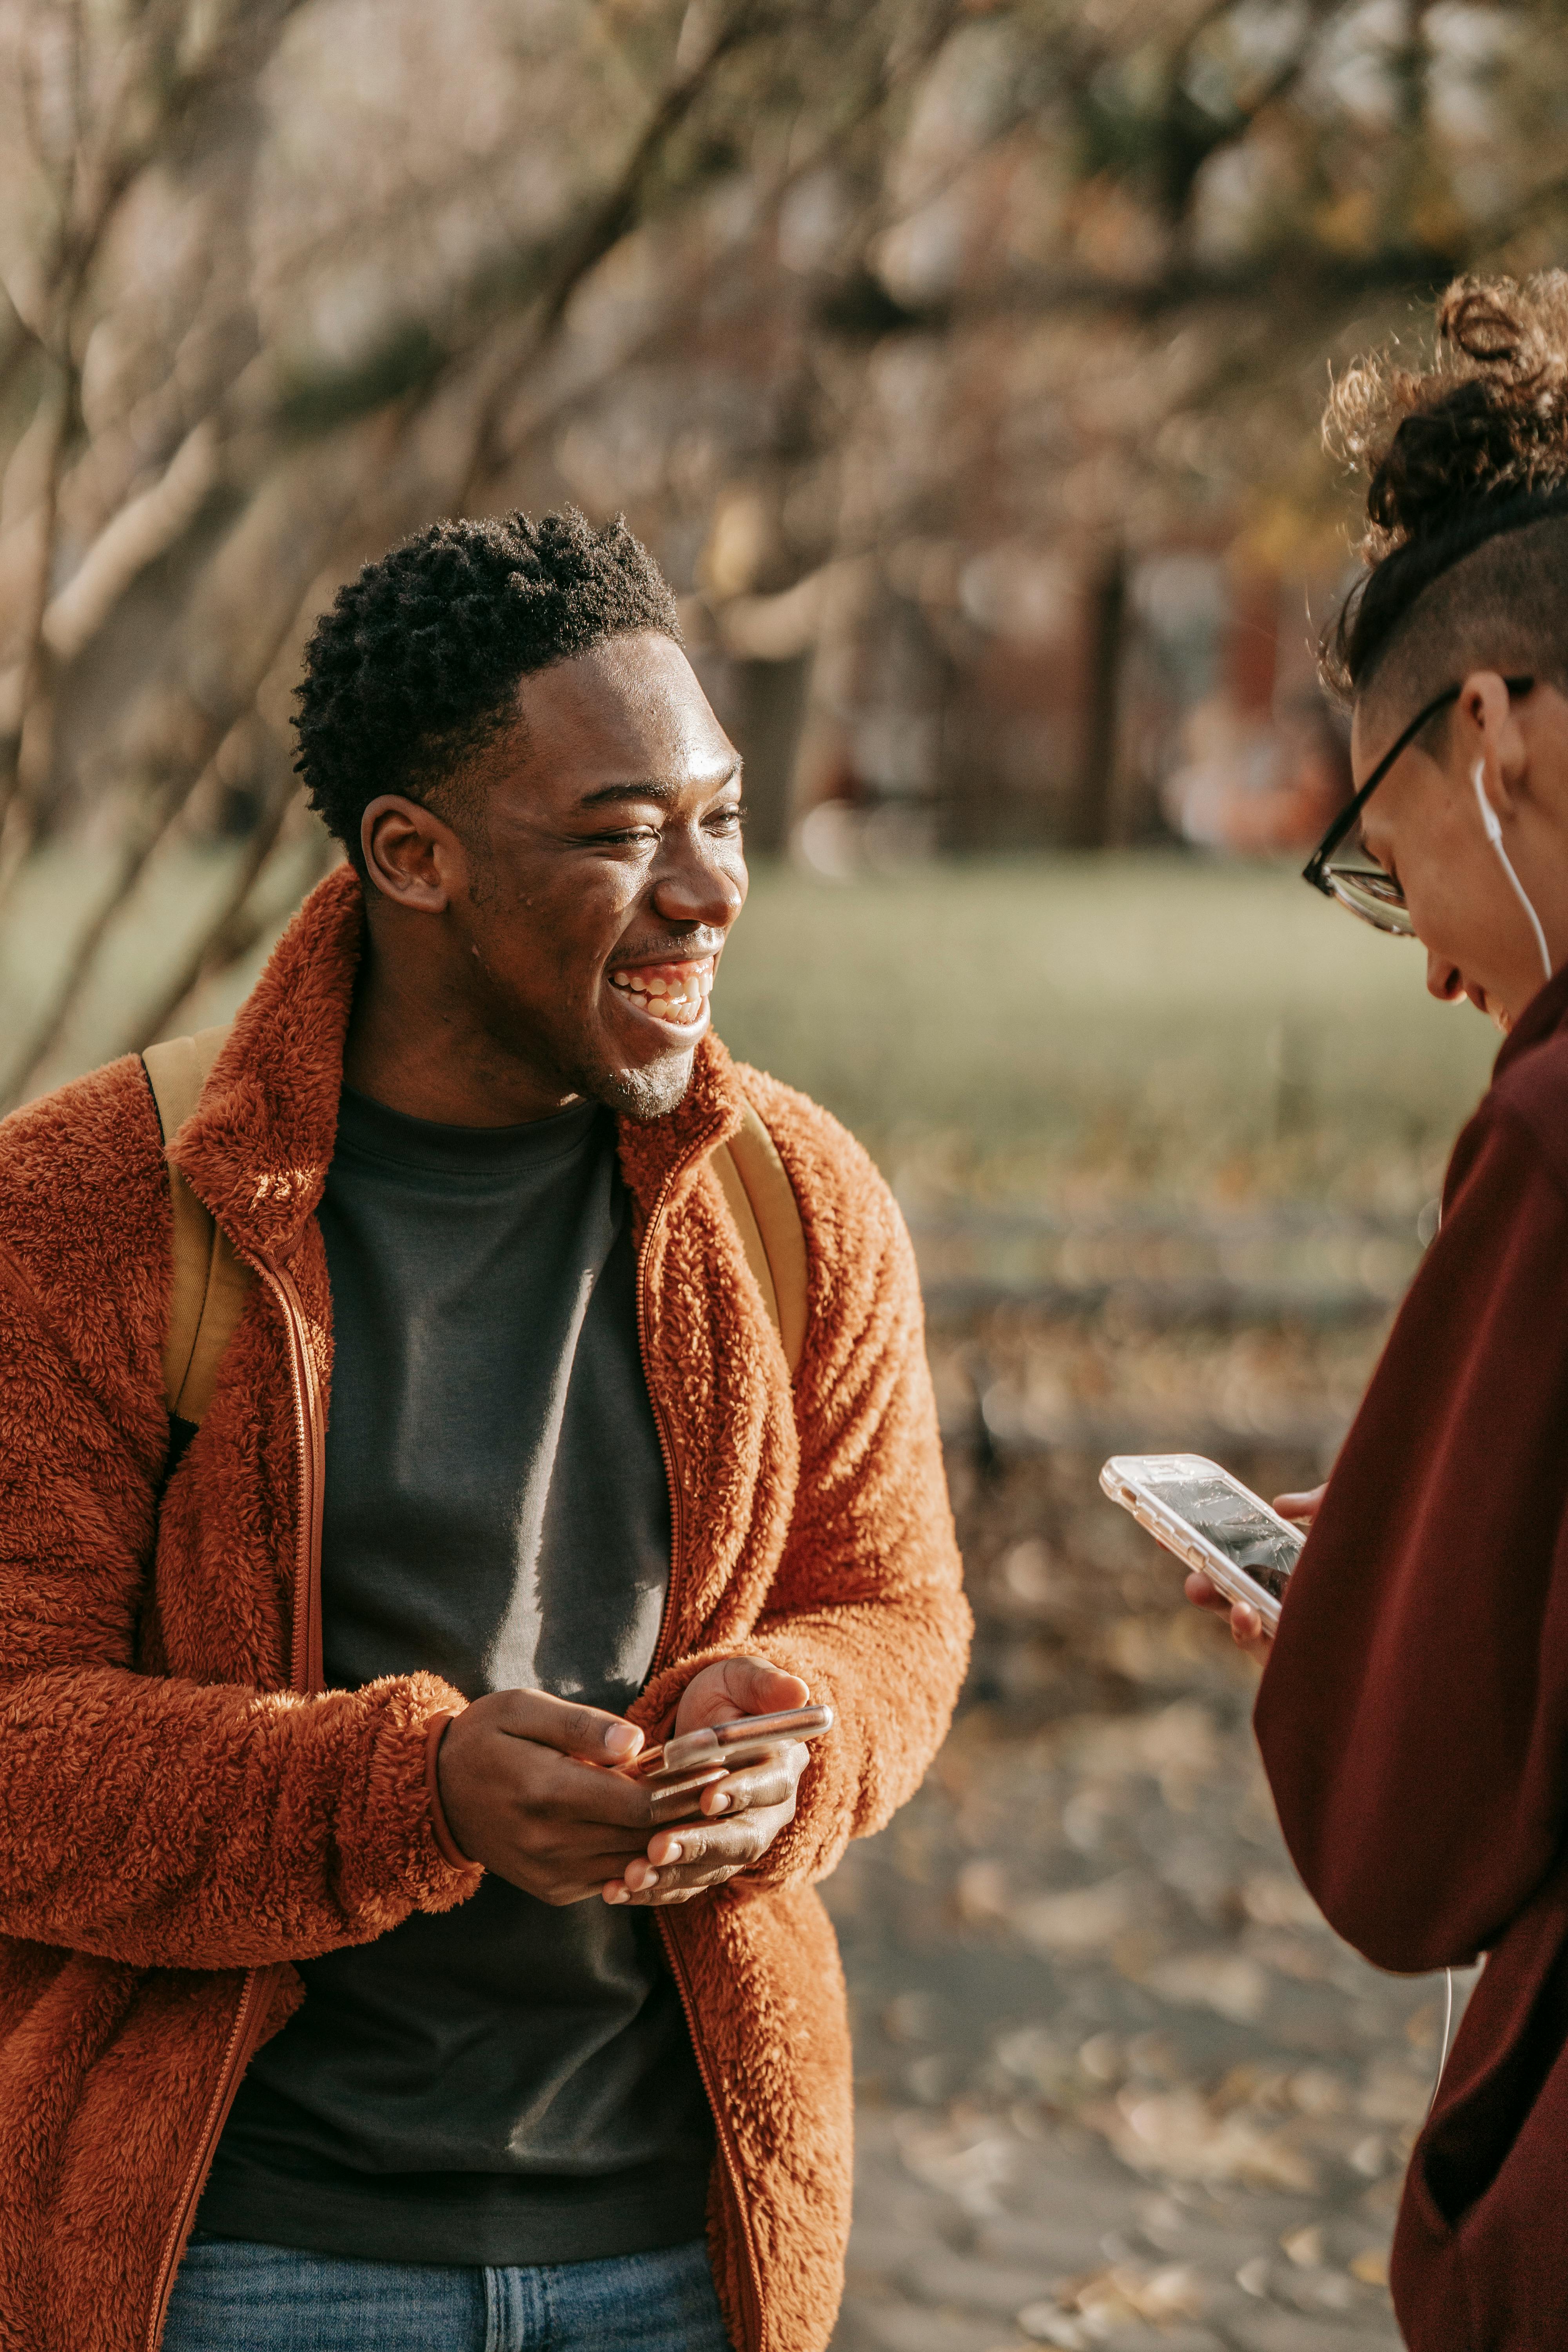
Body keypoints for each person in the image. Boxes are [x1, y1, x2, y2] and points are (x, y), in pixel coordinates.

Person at [0, 510, 971, 2352]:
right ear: (412, 857)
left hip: (682, 2248)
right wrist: (412, 1792)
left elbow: (899, 1611)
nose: (708, 891)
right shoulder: (89, 1209)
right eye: (621, 836)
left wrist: (802, 1726)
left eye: (723, 814)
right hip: (241, 2256)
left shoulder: (798, 1202)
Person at [1186, 272, 1568, 2352]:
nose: (1426, 964)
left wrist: (1360, 1633)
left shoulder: (1558, 1133)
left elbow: (1412, 1827)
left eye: (1385, 855)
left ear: (1490, 730)